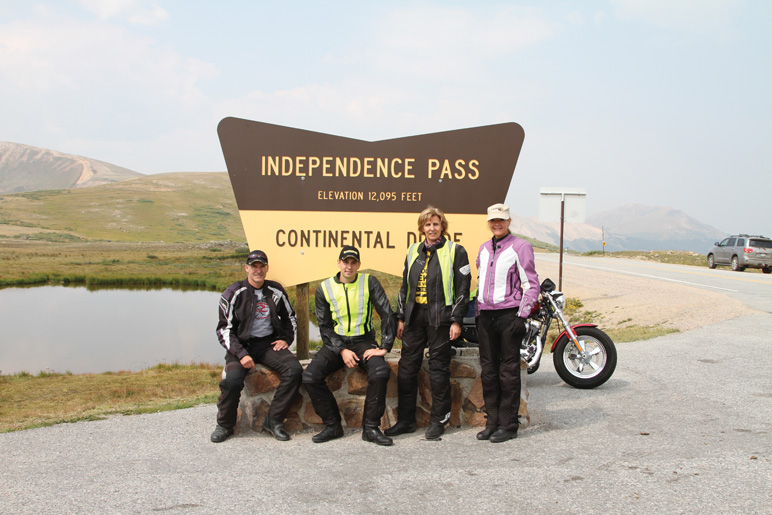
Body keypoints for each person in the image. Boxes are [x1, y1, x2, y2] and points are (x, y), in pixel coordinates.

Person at [385, 206, 471, 440]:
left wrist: (456, 320)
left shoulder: (456, 251)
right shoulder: (413, 250)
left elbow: (463, 288)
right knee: (406, 368)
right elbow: (405, 286)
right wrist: (401, 316)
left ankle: (438, 420)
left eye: (436, 223)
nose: (432, 228)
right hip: (415, 317)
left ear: (443, 226)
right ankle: (405, 421)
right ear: (422, 228)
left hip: (441, 318)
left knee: (438, 370)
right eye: (427, 224)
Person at [302, 246, 396, 446]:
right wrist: (342, 350)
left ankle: (370, 428)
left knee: (380, 372)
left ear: (359, 265)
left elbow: (387, 313)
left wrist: (385, 346)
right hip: (336, 343)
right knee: (310, 376)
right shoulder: (324, 288)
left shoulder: (369, 282)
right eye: (346, 262)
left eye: (354, 262)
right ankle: (332, 425)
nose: (349, 266)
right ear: (339, 263)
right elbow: (325, 327)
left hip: (364, 342)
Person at [210, 250, 302, 443]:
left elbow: (290, 318)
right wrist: (241, 354)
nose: (258, 270)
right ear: (247, 268)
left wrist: (286, 339)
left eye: (262, 266)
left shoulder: (276, 290)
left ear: (267, 268)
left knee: (294, 370)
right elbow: (224, 330)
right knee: (232, 380)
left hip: (267, 344)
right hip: (240, 345)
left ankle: (274, 421)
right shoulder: (233, 292)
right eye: (254, 266)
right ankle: (224, 425)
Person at [475, 203, 539, 443]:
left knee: (508, 372)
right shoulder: (482, 249)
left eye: (501, 220)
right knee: (489, 372)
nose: (497, 224)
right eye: (493, 220)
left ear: (509, 221)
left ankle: (509, 424)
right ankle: (492, 421)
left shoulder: (521, 247)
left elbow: (531, 284)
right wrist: (479, 310)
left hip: (509, 315)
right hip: (486, 318)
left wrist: (521, 316)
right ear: (489, 223)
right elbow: (482, 281)